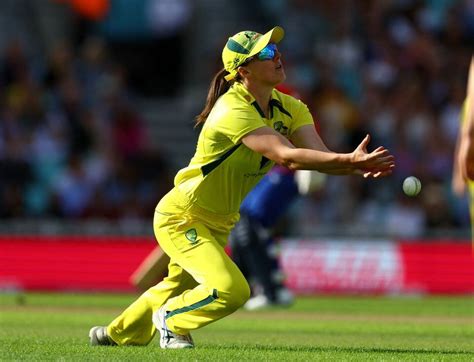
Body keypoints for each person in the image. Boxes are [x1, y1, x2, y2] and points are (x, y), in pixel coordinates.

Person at [89, 26, 395, 349]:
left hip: (219, 223)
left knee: (173, 287)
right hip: (183, 216)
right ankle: (172, 321)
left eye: (275, 49)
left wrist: (352, 163)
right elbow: (288, 158)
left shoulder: (291, 108)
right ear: (243, 71)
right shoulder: (232, 109)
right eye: (265, 53)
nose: (276, 55)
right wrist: (348, 162)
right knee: (232, 289)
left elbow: (319, 157)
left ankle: (114, 334)